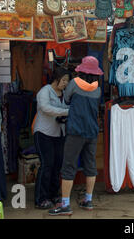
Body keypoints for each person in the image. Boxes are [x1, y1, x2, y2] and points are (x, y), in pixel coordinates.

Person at [49, 56, 104, 216]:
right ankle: (88, 200)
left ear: (82, 70)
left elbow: (66, 100)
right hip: (92, 132)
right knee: (90, 166)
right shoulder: (98, 88)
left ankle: (65, 204)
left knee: (68, 166)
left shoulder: (73, 84)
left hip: (76, 131)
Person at [33, 67, 70, 209]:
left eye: (67, 81)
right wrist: (66, 112)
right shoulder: (45, 91)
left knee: (57, 165)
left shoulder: (65, 93)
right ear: (56, 78)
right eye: (64, 80)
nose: (65, 83)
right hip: (43, 133)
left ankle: (54, 195)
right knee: (46, 165)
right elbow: (45, 108)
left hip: (59, 134)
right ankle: (41, 198)